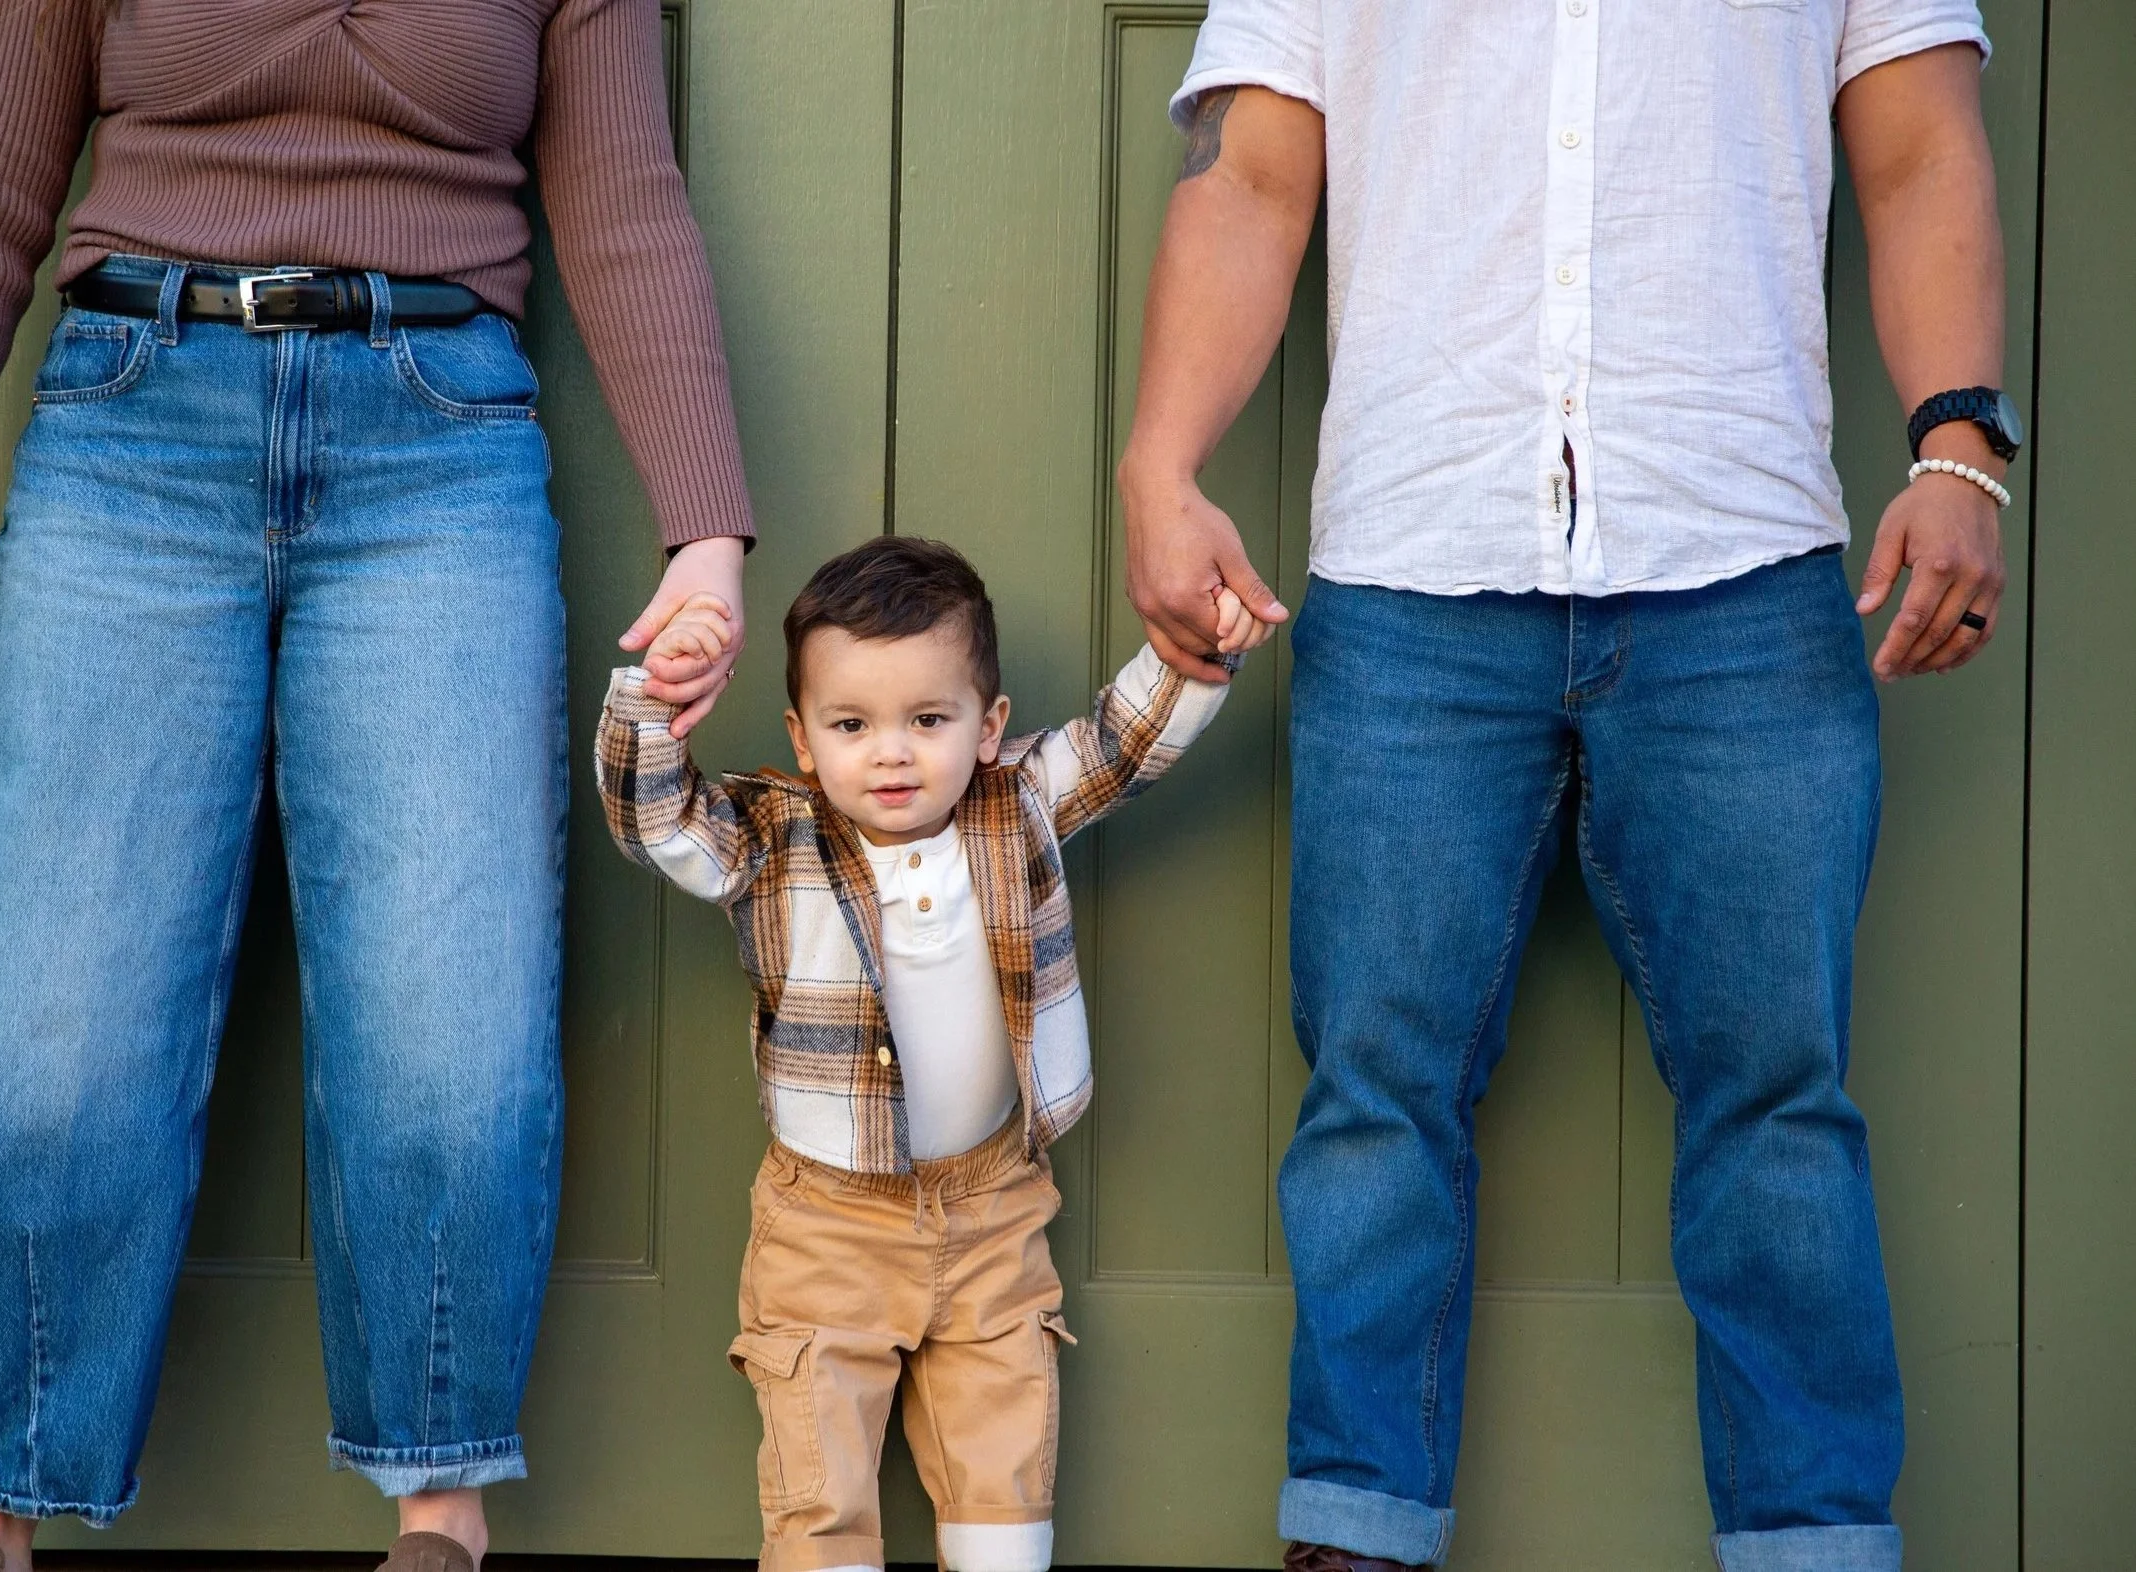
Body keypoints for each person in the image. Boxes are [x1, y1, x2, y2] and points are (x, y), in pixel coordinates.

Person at [0, 4, 755, 1572]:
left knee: (452, 1034)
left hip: (440, 447)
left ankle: (436, 1514)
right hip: (132, 427)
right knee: (51, 1033)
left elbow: (626, 194)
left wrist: (705, 524)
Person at [1115, 1, 2014, 1567]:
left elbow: (1923, 147)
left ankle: (1815, 1541)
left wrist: (1960, 450)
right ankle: (1355, 1531)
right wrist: (1159, 464)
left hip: (1739, 557)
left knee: (1779, 1102)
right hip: (1413, 563)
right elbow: (1253, 177)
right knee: (1374, 1096)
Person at [594, 537, 1253, 1572]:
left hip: (992, 1207)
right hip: (826, 1223)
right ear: (803, 740)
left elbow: (1121, 748)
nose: (891, 753)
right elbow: (652, 820)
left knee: (1004, 1466)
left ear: (987, 728)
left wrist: (1197, 648)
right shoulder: (774, 839)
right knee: (820, 1486)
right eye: (852, 726)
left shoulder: (1014, 805)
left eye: (927, 721)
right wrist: (653, 694)